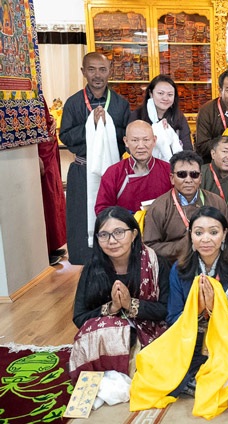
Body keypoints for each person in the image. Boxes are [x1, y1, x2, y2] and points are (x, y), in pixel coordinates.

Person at [164, 206, 228, 397]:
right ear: (191, 236)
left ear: (224, 235)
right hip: (192, 340)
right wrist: (196, 311)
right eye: (199, 233)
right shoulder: (180, 270)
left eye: (213, 232)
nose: (205, 239)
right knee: (161, 375)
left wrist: (218, 310)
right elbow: (172, 317)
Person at [70, 206, 170, 381]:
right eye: (104, 235)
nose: (112, 241)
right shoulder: (92, 269)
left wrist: (130, 305)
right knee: (108, 329)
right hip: (106, 339)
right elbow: (80, 318)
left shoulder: (155, 263)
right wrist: (112, 308)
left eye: (119, 232)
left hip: (150, 334)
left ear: (134, 234)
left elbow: (166, 310)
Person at [60, 52, 131, 265]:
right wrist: (91, 127)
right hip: (83, 170)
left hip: (113, 170)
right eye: (91, 69)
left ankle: (117, 261)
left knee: (114, 216)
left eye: (102, 69)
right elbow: (65, 136)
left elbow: (126, 137)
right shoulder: (73, 103)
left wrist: (106, 127)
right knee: (82, 219)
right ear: (83, 72)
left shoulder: (120, 103)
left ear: (110, 71)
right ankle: (86, 266)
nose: (97, 75)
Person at [143, 151, 228, 264]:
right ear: (172, 178)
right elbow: (149, 247)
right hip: (175, 266)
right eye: (182, 174)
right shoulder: (159, 207)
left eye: (194, 174)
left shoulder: (216, 202)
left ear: (200, 178)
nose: (188, 180)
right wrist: (180, 246)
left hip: (214, 263)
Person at [95, 120, 172, 215]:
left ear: (154, 140)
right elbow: (102, 209)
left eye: (146, 140)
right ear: (126, 142)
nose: (141, 146)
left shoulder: (168, 170)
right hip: (125, 228)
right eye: (135, 140)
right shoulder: (114, 172)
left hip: (160, 228)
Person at [129, 74, 193, 154]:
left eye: (170, 95)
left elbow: (187, 149)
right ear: (151, 93)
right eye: (160, 93)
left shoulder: (179, 117)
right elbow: (130, 147)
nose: (165, 98)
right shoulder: (137, 116)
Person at [38, 97, 67, 265]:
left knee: (53, 194)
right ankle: (44, 248)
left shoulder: (34, 91)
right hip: (40, 150)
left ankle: (54, 243)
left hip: (48, 147)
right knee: (46, 197)